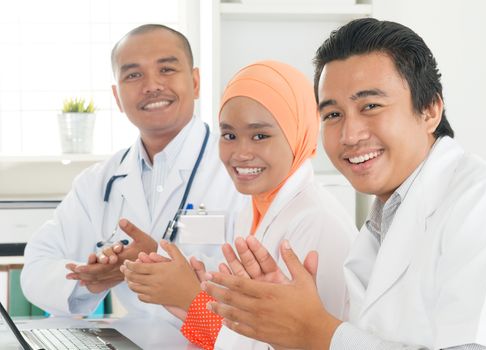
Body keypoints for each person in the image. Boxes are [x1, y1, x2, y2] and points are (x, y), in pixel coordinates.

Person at [201, 18, 486, 350]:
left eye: (370, 106)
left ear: (430, 109)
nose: (349, 135)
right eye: (332, 115)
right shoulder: (380, 220)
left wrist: (315, 332)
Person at [120, 60, 358, 349]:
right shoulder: (253, 211)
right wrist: (197, 299)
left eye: (260, 136)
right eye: (229, 135)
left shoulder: (316, 221)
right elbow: (247, 334)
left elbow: (306, 342)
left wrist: (190, 297)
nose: (241, 153)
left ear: (298, 134)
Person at [20, 24, 244, 323]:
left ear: (195, 81)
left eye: (166, 69)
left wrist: (156, 261)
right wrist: (93, 280)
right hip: (134, 337)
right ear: (117, 96)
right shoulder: (99, 183)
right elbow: (36, 266)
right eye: (133, 75)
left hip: (217, 337)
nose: (151, 85)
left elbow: (256, 283)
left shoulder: (239, 167)